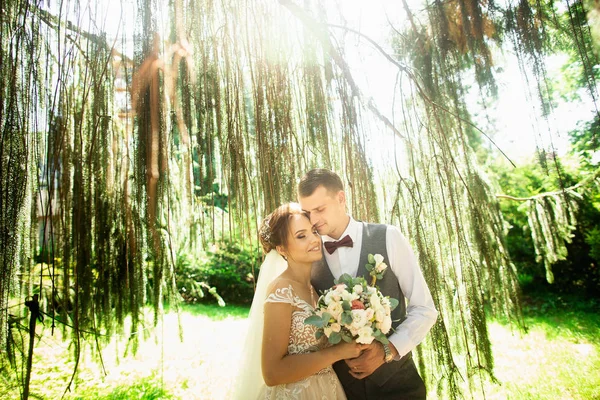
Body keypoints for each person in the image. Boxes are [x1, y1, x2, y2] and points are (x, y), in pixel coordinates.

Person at [298, 169, 438, 400]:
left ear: (341, 198)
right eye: (307, 212)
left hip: (398, 386)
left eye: (320, 209)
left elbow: (424, 309)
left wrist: (388, 350)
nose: (313, 220)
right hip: (340, 390)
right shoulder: (308, 255)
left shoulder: (388, 237)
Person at [232, 202, 364, 399]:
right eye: (301, 236)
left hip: (329, 391)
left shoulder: (318, 292)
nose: (314, 240)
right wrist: (338, 352)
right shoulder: (282, 290)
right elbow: (272, 373)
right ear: (282, 248)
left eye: (313, 232)